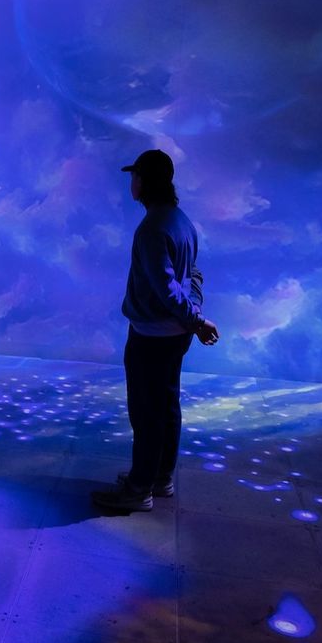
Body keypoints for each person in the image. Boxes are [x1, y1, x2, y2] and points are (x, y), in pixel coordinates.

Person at [92, 149, 219, 513]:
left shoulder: (151, 229)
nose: (131, 182)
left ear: (145, 182)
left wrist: (195, 321)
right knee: (167, 407)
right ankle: (160, 477)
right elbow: (193, 275)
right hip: (174, 336)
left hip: (151, 337)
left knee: (146, 412)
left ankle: (139, 487)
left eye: (135, 176)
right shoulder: (181, 221)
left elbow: (165, 289)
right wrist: (193, 316)